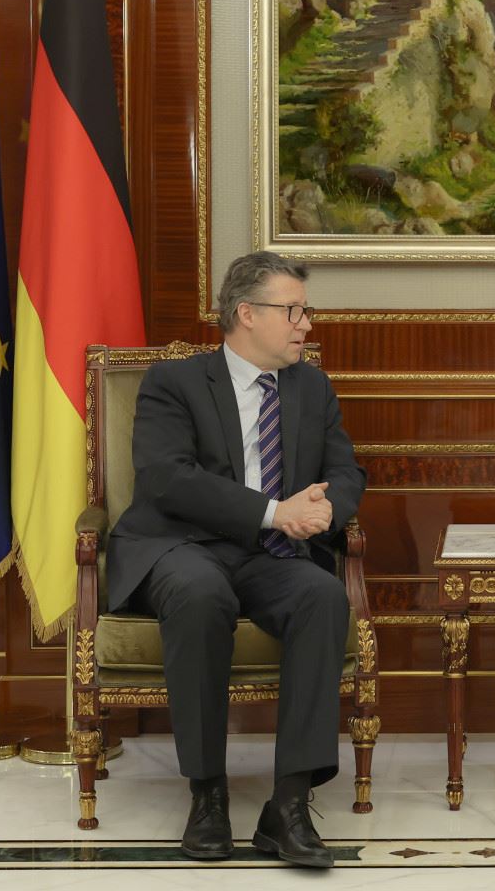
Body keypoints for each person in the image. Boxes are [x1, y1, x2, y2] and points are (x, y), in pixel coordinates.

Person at [106, 251, 366, 868]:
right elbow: (167, 479)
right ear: (247, 314)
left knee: (322, 594)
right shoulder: (175, 382)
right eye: (293, 311)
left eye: (305, 310)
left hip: (269, 556)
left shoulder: (311, 385)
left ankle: (290, 805)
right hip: (182, 546)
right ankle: (208, 796)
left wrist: (324, 510)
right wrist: (276, 512)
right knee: (201, 594)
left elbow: (345, 471)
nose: (306, 323)